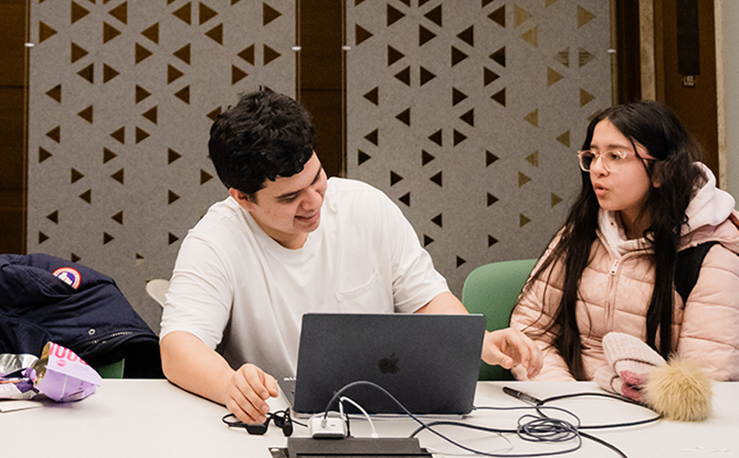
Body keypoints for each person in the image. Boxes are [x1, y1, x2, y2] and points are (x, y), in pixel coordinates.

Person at [159, 87, 540, 424]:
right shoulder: (215, 240)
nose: (312, 202)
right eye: (290, 197)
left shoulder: (366, 207)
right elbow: (179, 347)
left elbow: (424, 298)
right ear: (242, 197)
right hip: (278, 423)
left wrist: (478, 342)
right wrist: (230, 385)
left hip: (385, 415)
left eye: (316, 178)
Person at [511, 101, 739, 383]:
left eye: (615, 156)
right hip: (574, 410)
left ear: (660, 171)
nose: (597, 169)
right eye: (592, 156)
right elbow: (530, 330)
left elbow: (702, 381)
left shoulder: (710, 251)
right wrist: (567, 398)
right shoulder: (583, 230)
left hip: (660, 418)